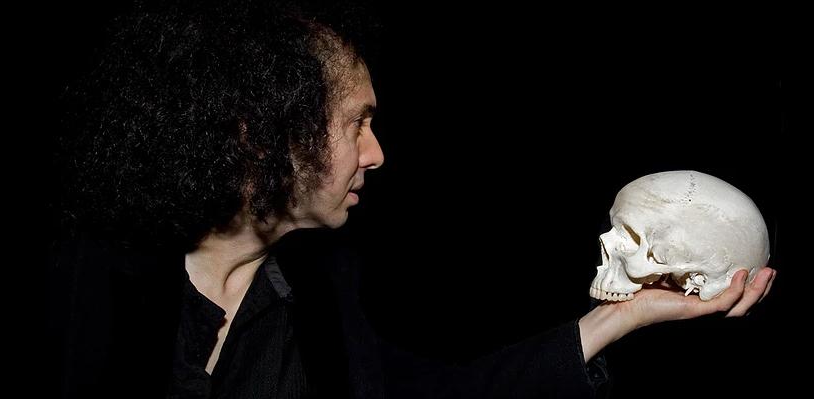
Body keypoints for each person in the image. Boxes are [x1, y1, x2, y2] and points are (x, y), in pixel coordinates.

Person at [48, 0, 776, 398]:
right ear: (267, 132)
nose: (377, 153)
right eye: (357, 123)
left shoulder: (316, 291)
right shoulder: (83, 279)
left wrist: (625, 316)